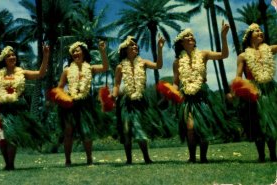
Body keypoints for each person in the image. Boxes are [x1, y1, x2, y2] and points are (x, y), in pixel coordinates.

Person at [0, 44, 50, 170]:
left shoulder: (22, 72)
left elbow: (41, 73)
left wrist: (45, 55)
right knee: (2, 137)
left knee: (12, 136)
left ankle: (10, 164)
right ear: (4, 59)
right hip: (1, 110)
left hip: (17, 111)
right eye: (9, 56)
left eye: (13, 55)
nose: (12, 57)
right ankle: (7, 163)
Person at [172, 21, 233, 163]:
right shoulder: (177, 62)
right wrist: (170, 93)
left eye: (192, 35)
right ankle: (192, 157)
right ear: (181, 41)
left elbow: (224, 55)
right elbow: (176, 82)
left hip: (203, 96)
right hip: (186, 97)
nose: (191, 37)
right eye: (187, 36)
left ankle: (204, 157)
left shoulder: (203, 54)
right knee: (190, 128)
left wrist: (223, 36)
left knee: (203, 126)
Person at [111, 35, 165, 164]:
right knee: (126, 128)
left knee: (140, 128)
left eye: (136, 45)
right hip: (125, 101)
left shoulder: (143, 62)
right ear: (125, 49)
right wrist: (113, 96)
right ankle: (129, 159)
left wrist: (160, 48)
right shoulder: (120, 67)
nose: (135, 46)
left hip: (141, 100)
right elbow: (117, 84)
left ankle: (146, 157)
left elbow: (158, 65)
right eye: (132, 45)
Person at [57, 40, 108, 166]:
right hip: (70, 103)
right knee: (68, 131)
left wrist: (102, 51)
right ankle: (68, 160)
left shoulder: (90, 68)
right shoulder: (67, 70)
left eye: (77, 50)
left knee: (86, 131)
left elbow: (105, 67)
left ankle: (89, 158)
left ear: (83, 53)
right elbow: (60, 87)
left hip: (85, 103)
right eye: (73, 51)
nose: (75, 53)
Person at [234, 23, 277, 162]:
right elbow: (238, 76)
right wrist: (238, 91)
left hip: (270, 90)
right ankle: (261, 155)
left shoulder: (269, 49)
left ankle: (273, 154)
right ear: (249, 36)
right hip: (253, 92)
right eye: (256, 31)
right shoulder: (243, 56)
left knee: (271, 122)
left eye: (261, 30)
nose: (260, 32)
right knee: (258, 123)